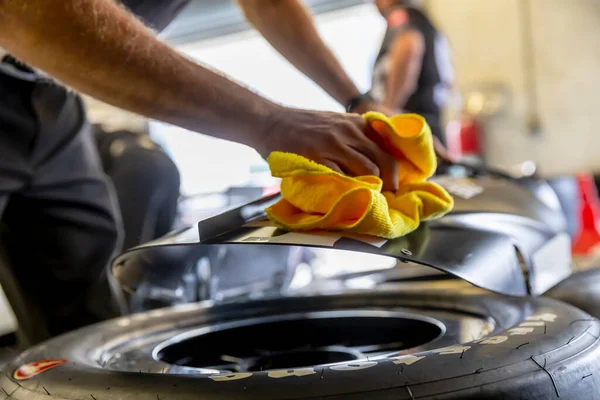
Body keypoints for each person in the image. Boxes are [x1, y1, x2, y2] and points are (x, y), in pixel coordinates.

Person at [0, 0, 400, 343]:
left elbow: (270, 4)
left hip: (47, 96)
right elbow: (30, 13)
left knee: (84, 326)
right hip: (24, 49)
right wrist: (269, 124)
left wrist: (357, 100)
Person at [368, 0, 457, 161]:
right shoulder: (424, 20)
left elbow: (409, 46)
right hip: (428, 125)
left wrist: (388, 110)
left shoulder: (400, 15)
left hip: (411, 128)